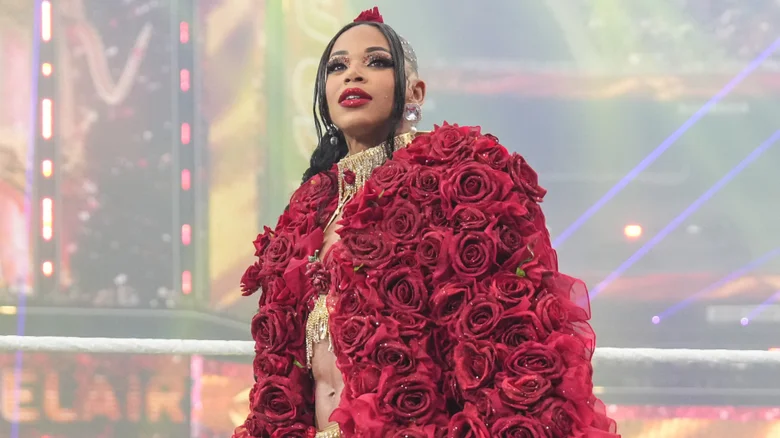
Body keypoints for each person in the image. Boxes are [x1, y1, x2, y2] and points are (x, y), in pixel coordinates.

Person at [234, 7, 619, 438]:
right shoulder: (308, 208)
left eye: (376, 62)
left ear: (415, 91)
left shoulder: (456, 176)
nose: (352, 75)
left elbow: (506, 338)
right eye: (337, 66)